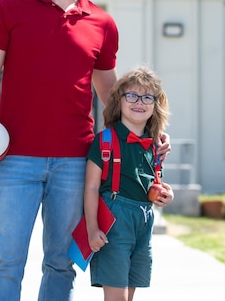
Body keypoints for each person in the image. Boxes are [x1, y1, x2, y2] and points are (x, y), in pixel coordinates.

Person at [0, 0, 171, 301]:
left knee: (60, 262)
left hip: (76, 162)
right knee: (7, 260)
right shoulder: (8, 10)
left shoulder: (103, 24)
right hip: (16, 159)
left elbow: (109, 91)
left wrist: (145, 136)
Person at [84, 66, 174, 301]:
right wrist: (92, 228)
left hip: (143, 221)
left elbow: (154, 184)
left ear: (156, 105)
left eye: (147, 97)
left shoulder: (155, 146)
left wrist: (165, 195)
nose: (139, 102)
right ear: (119, 101)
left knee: (130, 294)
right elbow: (91, 187)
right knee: (117, 297)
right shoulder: (104, 140)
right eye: (132, 96)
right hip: (114, 222)